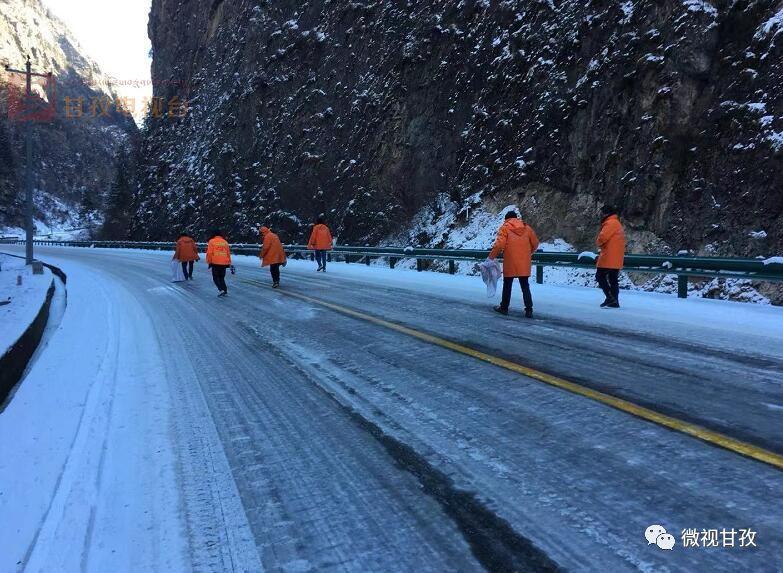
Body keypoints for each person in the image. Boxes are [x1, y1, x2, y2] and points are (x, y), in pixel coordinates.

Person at [488, 210, 540, 318]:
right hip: (524, 262)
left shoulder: (505, 227)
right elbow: (535, 243)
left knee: (507, 285)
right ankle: (529, 310)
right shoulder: (527, 228)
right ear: (516, 218)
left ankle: (504, 308)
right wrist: (528, 253)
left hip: (510, 261)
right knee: (525, 286)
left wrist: (491, 257)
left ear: (506, 219)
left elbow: (499, 245)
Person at [595, 205, 626, 308]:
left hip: (609, 256)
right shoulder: (617, 223)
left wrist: (598, 242)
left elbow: (602, 237)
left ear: (606, 213)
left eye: (602, 212)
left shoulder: (610, 223)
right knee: (613, 279)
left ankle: (609, 297)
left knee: (600, 276)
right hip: (617, 257)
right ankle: (615, 301)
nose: (601, 215)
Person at [206, 230, 231, 297]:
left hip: (215, 262)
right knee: (221, 278)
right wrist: (229, 262)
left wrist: (209, 262)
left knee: (215, 278)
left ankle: (221, 290)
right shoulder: (225, 242)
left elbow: (209, 253)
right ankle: (225, 291)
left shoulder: (211, 241)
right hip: (224, 263)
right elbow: (228, 253)